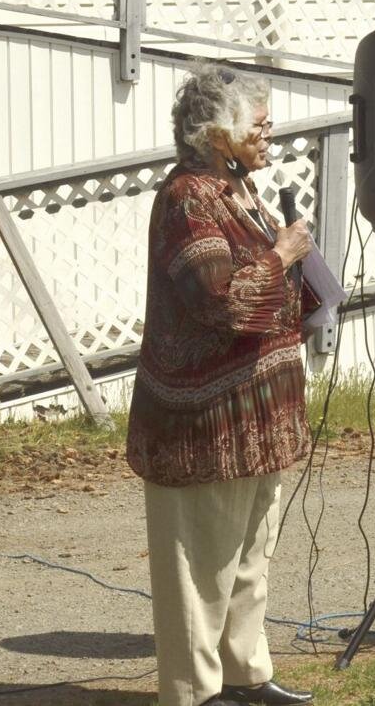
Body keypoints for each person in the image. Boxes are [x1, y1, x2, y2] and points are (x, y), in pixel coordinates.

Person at [127, 64, 317, 706]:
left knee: (248, 561)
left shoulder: (237, 192)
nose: (270, 134)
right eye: (258, 125)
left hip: (254, 419)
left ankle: (245, 675)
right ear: (216, 135)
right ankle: (195, 693)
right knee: (199, 570)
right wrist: (285, 255)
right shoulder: (189, 198)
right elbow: (220, 302)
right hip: (202, 425)